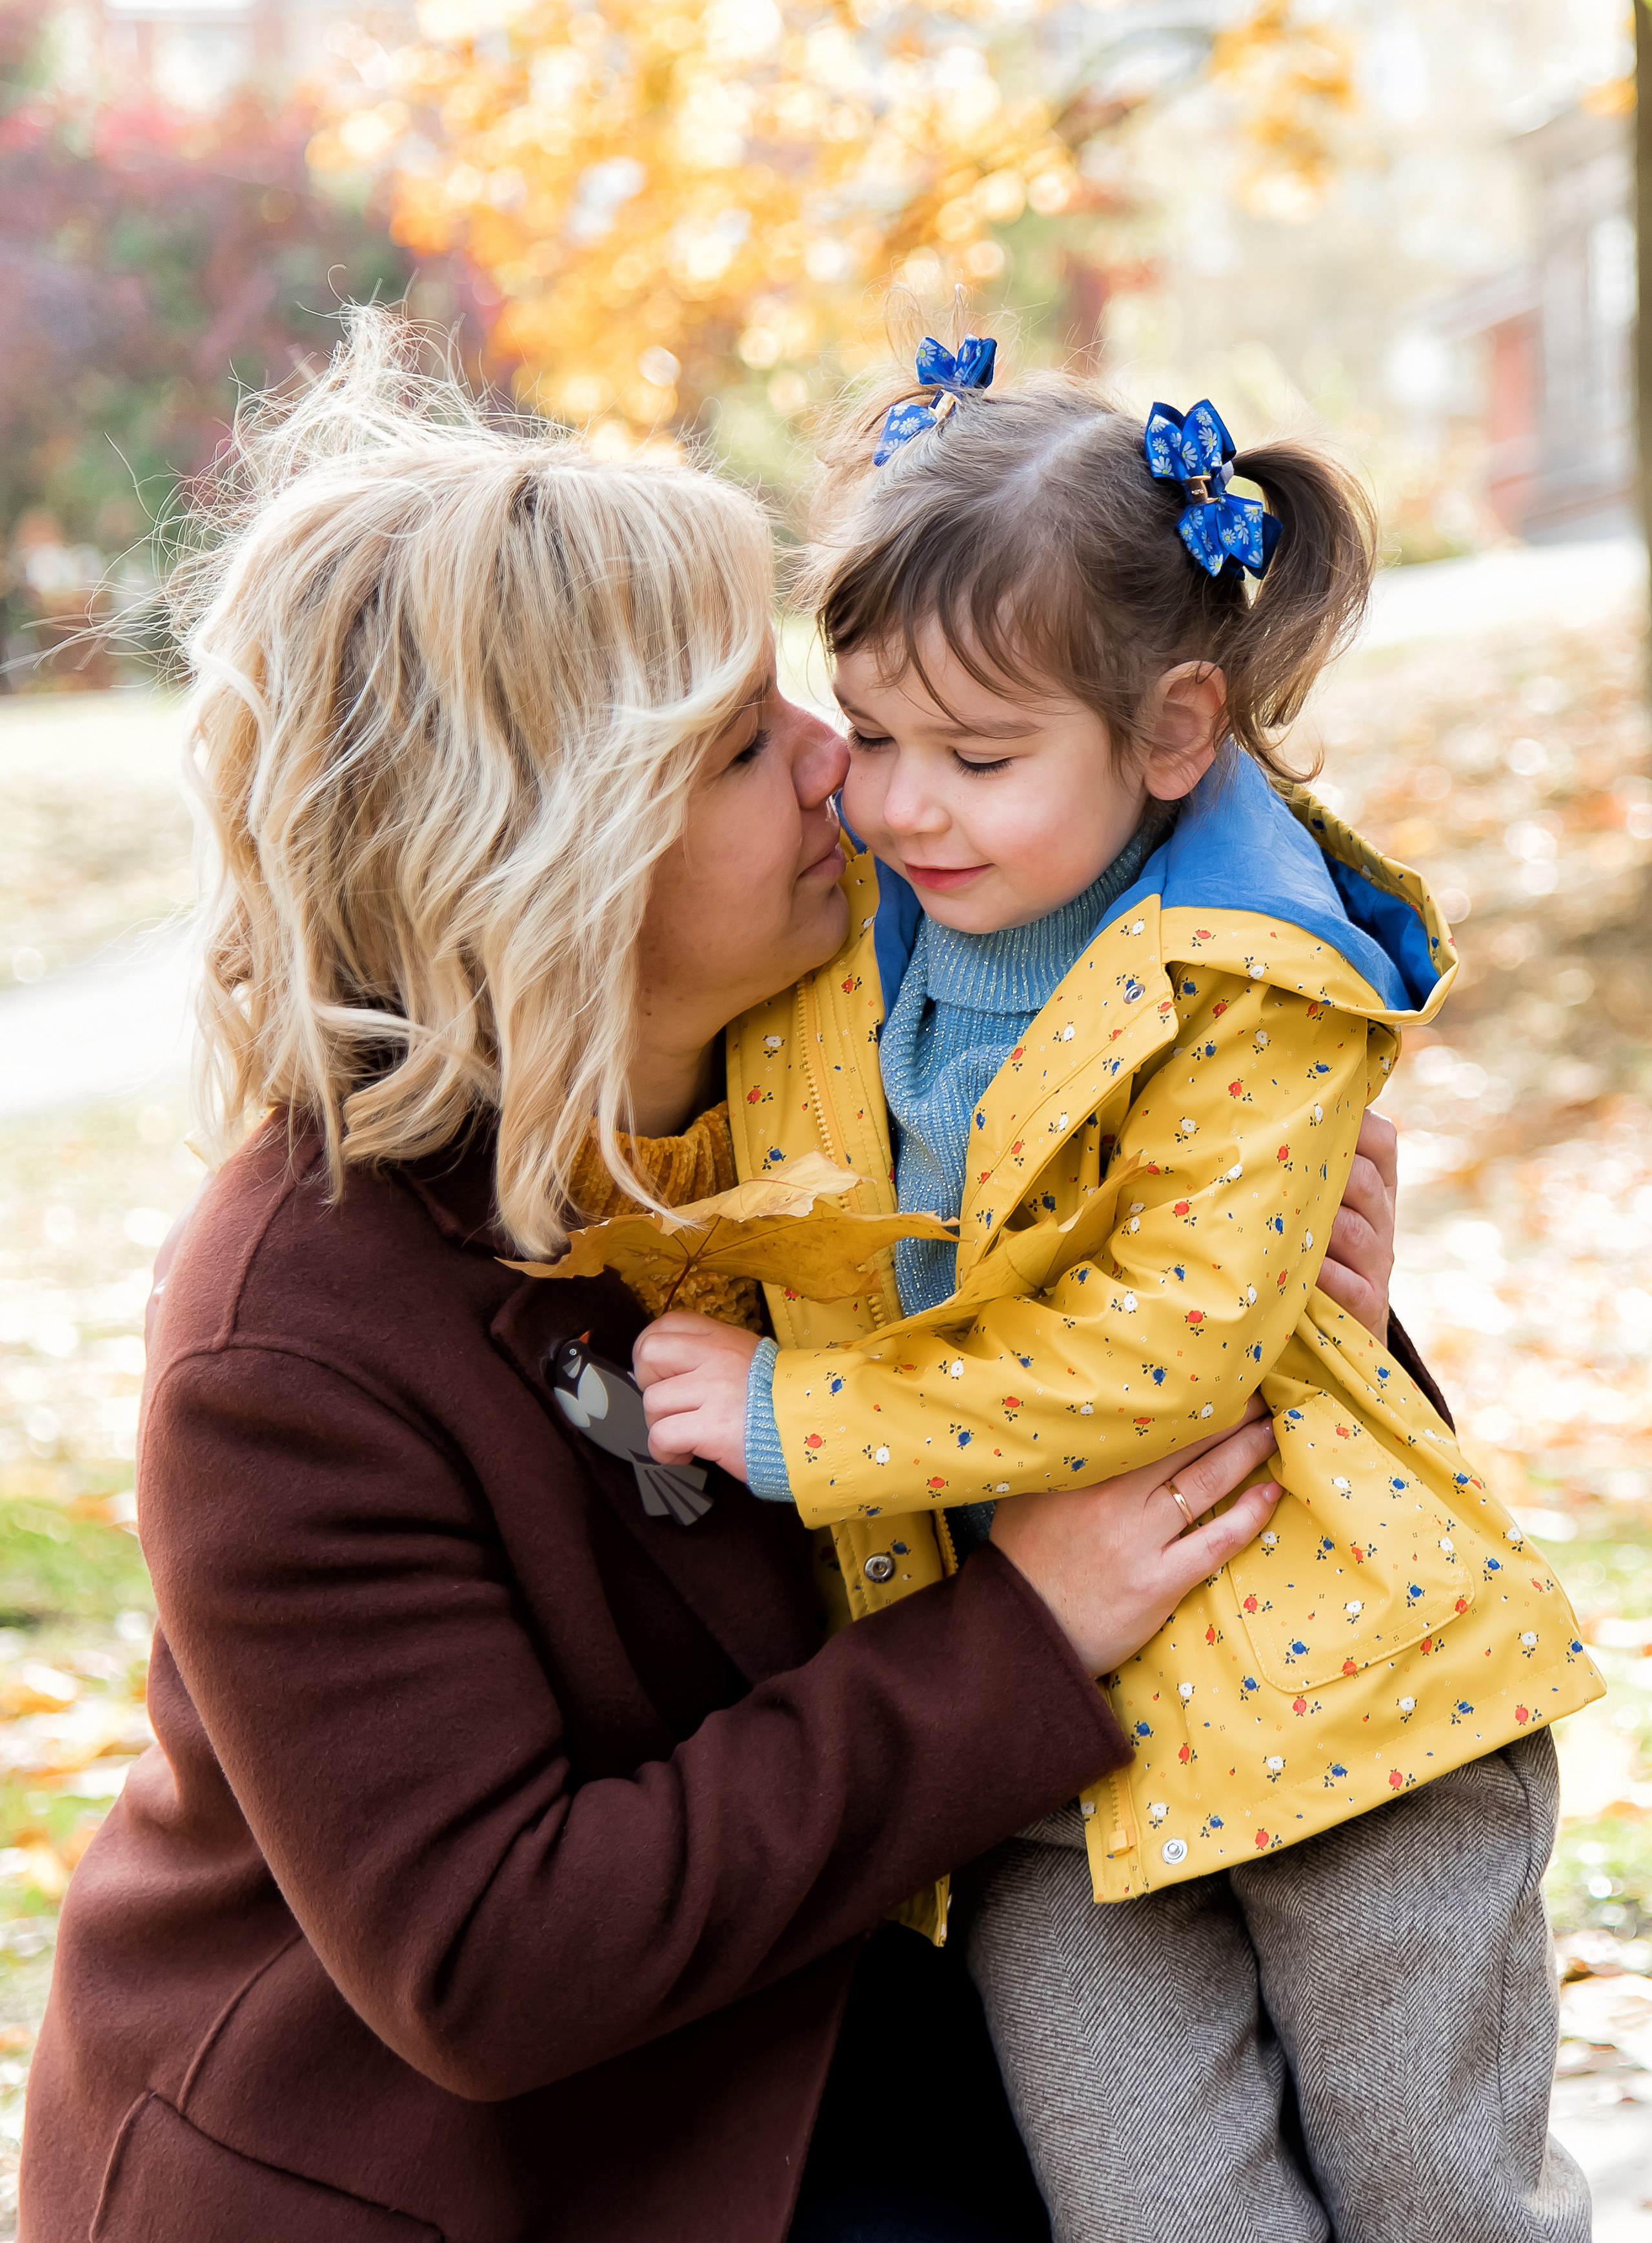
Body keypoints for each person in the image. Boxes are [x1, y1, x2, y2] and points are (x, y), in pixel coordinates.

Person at [17, 316, 1402, 2243]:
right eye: (751, 743)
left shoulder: (863, 1065)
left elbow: (1093, 1401)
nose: (848, 765)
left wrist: (1290, 1315)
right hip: (466, 2165)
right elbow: (488, 1961)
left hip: (828, 1981)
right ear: (548, 861)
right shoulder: (291, 1343)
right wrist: (1019, 1630)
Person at [637, 350, 1598, 2243]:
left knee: (1441, 2202)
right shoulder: (842, 946)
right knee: (1158, 2215)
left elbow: (1169, 1348)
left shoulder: (1256, 981)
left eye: (980, 758)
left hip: (1348, 1699)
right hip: (1044, 1761)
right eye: (870, 731)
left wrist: (794, 1419)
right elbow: (750, 1178)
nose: (901, 803)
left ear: (1171, 732)